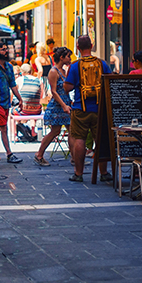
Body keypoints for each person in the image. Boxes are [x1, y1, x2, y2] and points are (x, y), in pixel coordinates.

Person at [64, 35, 113, 182]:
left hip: (80, 108)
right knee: (101, 140)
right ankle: (103, 173)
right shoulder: (101, 63)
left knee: (79, 139)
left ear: (78, 48)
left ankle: (78, 173)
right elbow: (110, 82)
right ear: (91, 46)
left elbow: (68, 87)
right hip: (99, 109)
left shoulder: (75, 66)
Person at [34, 47, 73, 166]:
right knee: (55, 131)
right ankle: (39, 154)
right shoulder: (53, 71)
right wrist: (64, 106)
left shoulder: (63, 71)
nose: (70, 58)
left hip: (65, 103)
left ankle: (75, 157)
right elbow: (54, 92)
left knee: (72, 130)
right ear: (61, 58)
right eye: (68, 56)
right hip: (58, 106)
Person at [0, 42, 25, 164]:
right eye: (3, 50)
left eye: (6, 49)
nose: (6, 51)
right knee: (3, 127)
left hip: (5, 103)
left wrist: (20, 98)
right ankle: (9, 154)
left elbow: (12, 85)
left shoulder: (9, 67)